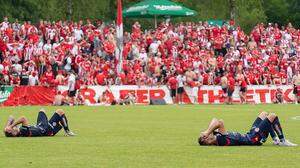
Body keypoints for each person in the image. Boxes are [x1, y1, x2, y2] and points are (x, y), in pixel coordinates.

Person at [198, 111, 297, 146]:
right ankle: (282, 140)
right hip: (254, 139)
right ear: (206, 139)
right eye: (204, 136)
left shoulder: (216, 136)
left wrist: (207, 132)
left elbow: (214, 119)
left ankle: (275, 140)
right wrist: (207, 132)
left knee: (264, 113)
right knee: (272, 116)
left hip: (250, 134)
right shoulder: (220, 140)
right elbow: (220, 122)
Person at [3, 109, 76, 137]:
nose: (15, 128)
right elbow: (23, 118)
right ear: (14, 133)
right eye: (13, 129)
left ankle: (64, 127)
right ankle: (68, 131)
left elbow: (11, 117)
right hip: (46, 129)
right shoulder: (23, 131)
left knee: (42, 110)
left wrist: (7, 126)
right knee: (60, 112)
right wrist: (11, 126)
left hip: (40, 125)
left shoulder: (19, 130)